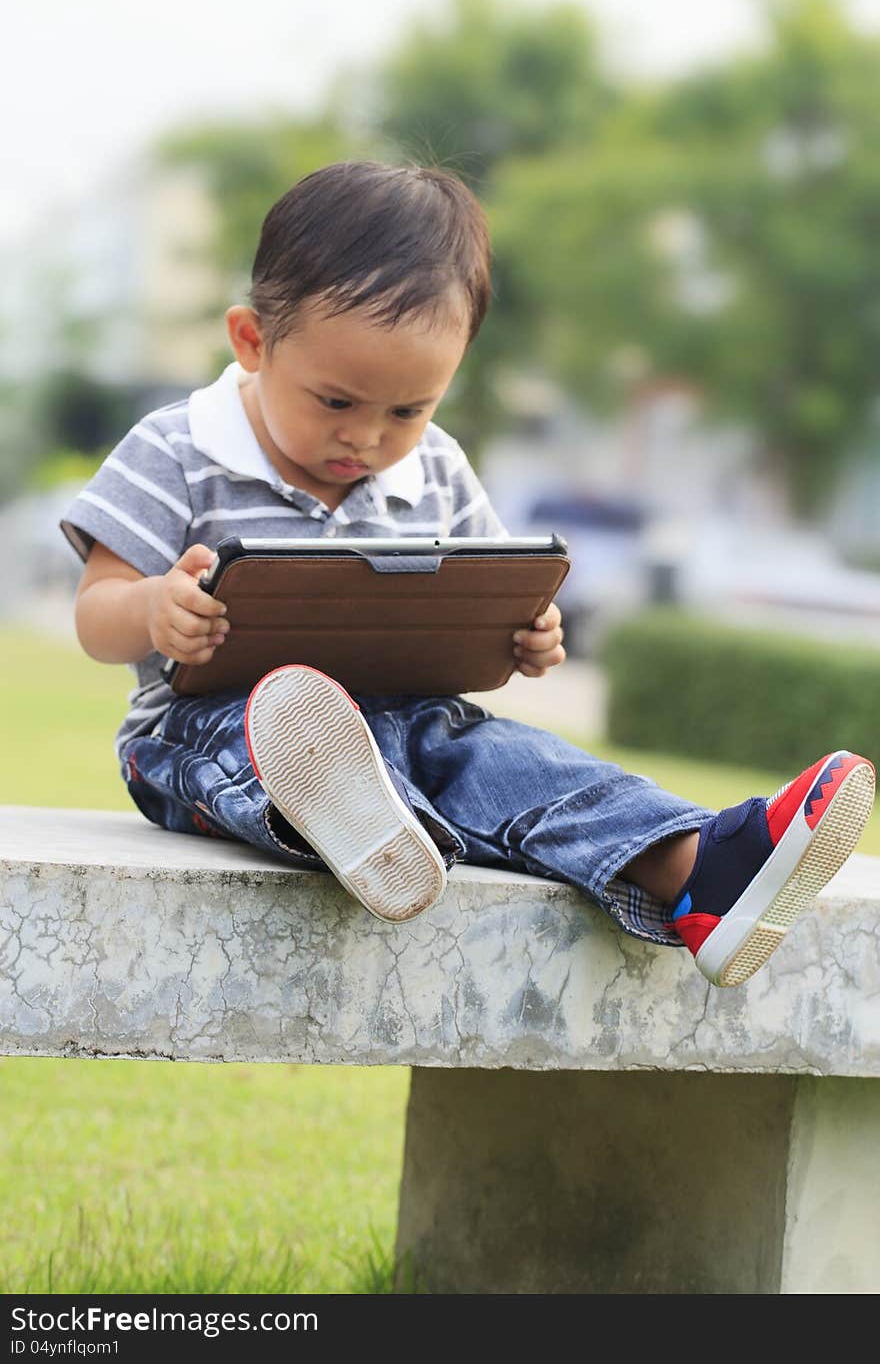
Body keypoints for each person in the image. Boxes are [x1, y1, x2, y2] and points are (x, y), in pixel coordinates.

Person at [61, 159, 875, 989]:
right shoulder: (178, 448)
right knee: (275, 739)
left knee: (517, 762)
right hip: (201, 733)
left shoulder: (439, 470)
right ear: (252, 341)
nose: (368, 438)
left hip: (409, 726)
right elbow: (97, 610)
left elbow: (488, 588)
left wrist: (525, 633)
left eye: (409, 410)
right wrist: (156, 609)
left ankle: (699, 867)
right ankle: (369, 820)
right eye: (337, 402)